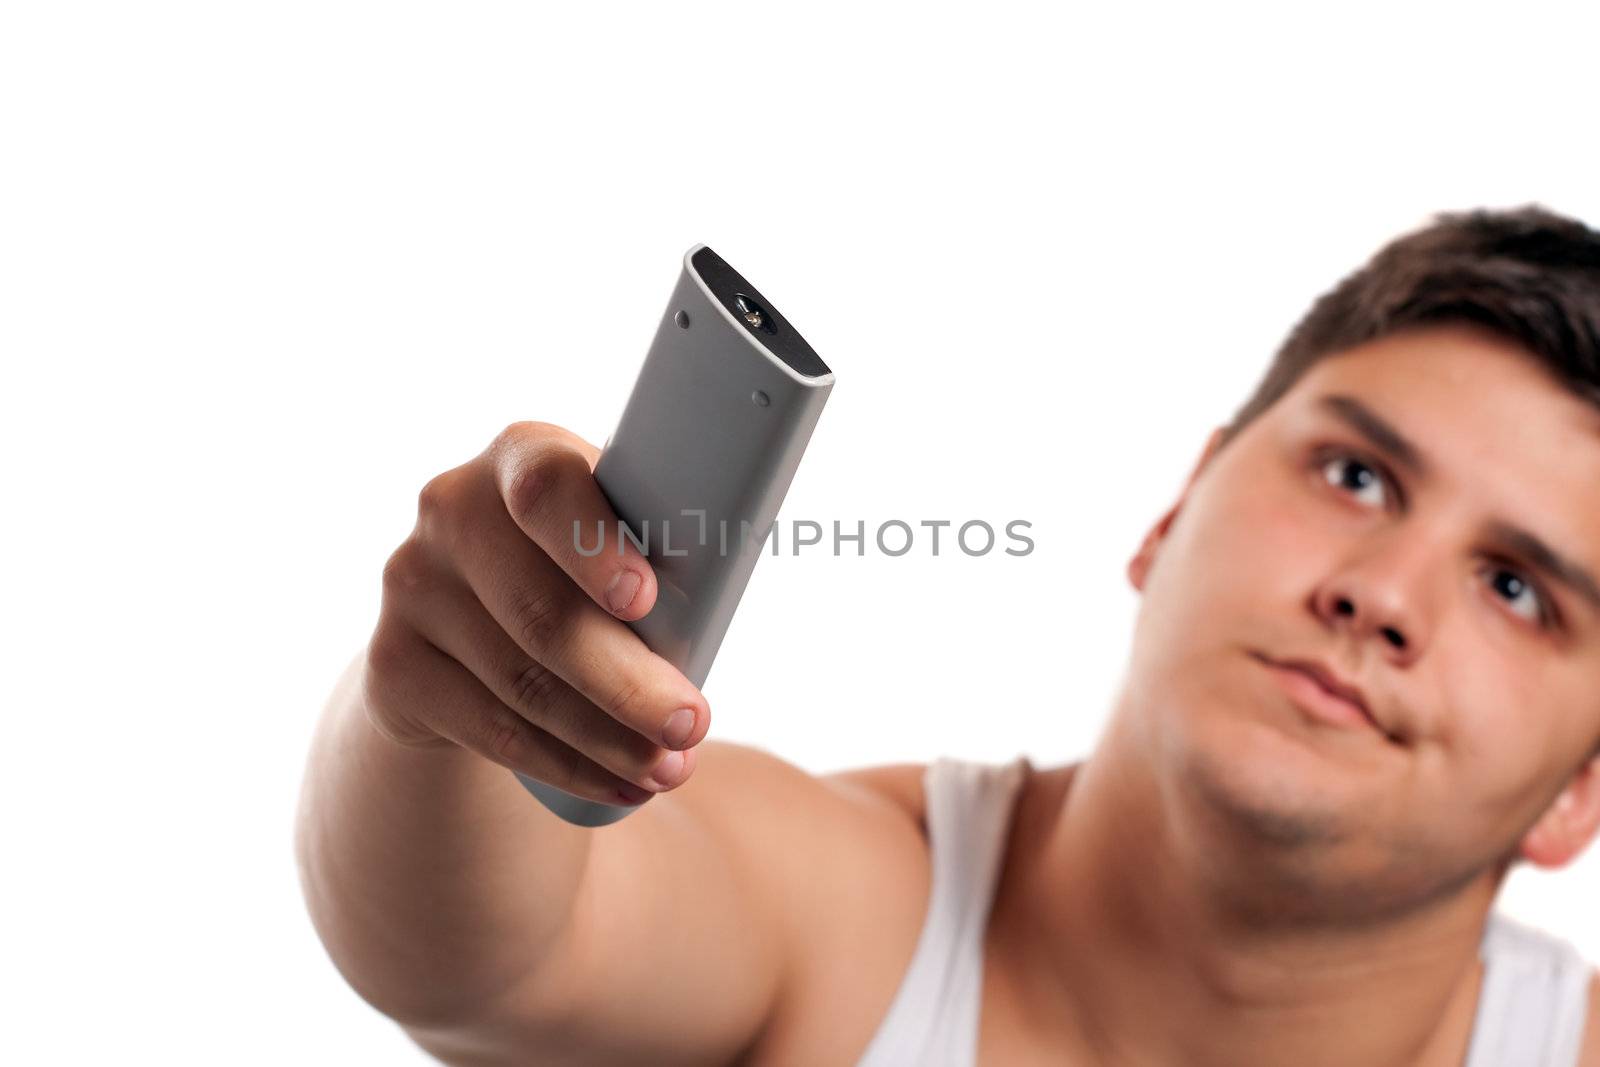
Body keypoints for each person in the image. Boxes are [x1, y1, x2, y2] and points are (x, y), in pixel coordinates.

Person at [295, 205, 1600, 1066]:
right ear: (1174, 513)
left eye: (1518, 588)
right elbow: (492, 956)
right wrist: (434, 707)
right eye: (1357, 478)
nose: (1381, 593)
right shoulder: (856, 910)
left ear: (1581, 792)